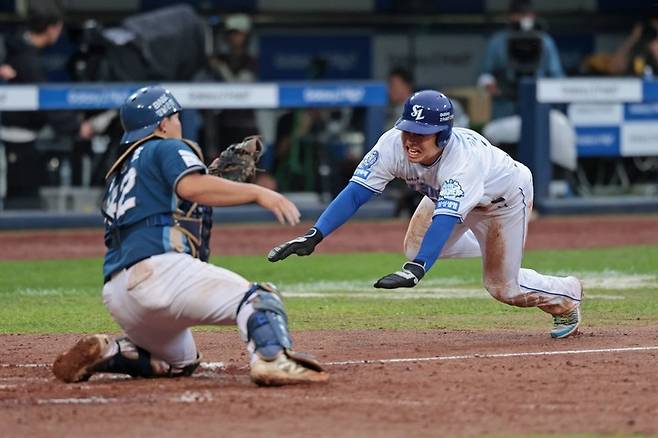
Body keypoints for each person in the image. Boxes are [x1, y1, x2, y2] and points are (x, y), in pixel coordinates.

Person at [52, 85, 328, 386]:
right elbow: (191, 187)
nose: (178, 123)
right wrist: (259, 193)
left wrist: (206, 182)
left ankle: (110, 351)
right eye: (175, 117)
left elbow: (177, 202)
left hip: (118, 292)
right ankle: (273, 359)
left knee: (179, 363)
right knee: (259, 297)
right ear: (162, 124)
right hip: (159, 273)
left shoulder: (120, 171)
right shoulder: (165, 147)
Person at [268, 90, 583, 339]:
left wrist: (418, 269)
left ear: (442, 135)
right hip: (444, 194)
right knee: (416, 247)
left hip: (502, 201)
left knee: (503, 288)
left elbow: (445, 220)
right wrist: (315, 234)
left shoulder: (462, 162)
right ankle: (494, 250)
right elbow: (355, 193)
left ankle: (567, 294)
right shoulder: (392, 145)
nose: (411, 140)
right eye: (408, 130)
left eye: (422, 133)